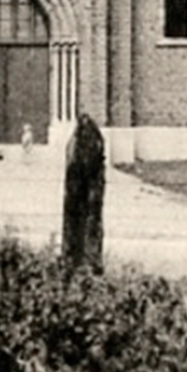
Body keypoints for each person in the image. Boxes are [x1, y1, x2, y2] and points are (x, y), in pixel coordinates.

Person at [62, 110, 105, 272]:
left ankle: (83, 260)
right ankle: (85, 259)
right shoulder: (77, 144)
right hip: (82, 193)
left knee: (84, 224)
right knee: (85, 224)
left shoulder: (82, 143)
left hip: (83, 193)